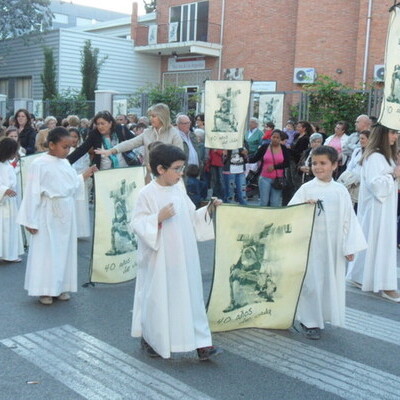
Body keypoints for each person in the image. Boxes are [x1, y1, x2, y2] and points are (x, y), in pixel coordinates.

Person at [130, 143, 222, 361]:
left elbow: (192, 217)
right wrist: (157, 219)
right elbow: (137, 223)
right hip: (160, 257)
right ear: (161, 169)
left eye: (182, 168)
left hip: (185, 256)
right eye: (177, 168)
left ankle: (202, 343)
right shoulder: (147, 193)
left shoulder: (179, 189)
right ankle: (153, 337)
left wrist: (209, 208)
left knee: (191, 296)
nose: (181, 173)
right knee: (160, 297)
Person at [289, 146, 366, 339]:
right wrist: (303, 208)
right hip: (311, 245)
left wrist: (349, 247)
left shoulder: (340, 191)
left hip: (333, 247)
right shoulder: (306, 189)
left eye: (323, 163)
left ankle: (323, 315)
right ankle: (310, 321)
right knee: (311, 282)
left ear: (334, 165)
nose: (318, 167)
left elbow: (349, 219)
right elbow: (290, 212)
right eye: (314, 163)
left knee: (328, 282)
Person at [17, 127, 97, 305]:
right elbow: (32, 192)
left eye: (69, 147)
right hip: (47, 212)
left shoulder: (65, 163)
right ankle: (44, 290)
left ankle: (61, 286)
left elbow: (71, 185)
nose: (67, 150)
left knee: (64, 250)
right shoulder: (39, 163)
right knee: (47, 251)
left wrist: (84, 175)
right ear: (51, 144)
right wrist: (29, 219)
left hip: (66, 212)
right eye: (64, 146)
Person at [346, 125, 400, 302]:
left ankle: (360, 276)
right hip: (377, 210)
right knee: (380, 243)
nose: (396, 136)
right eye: (392, 133)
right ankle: (386, 285)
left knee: (374, 243)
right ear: (383, 134)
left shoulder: (385, 157)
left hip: (384, 208)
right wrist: (394, 174)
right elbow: (376, 185)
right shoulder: (375, 156)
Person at [95, 104, 183, 184]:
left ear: (162, 116)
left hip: (169, 178)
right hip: (150, 177)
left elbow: (180, 157)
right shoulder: (147, 132)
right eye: (150, 116)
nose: (151, 118)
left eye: (154, 116)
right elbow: (131, 143)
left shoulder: (174, 133)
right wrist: (111, 151)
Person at [67, 110, 134, 170]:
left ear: (110, 123)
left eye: (102, 123)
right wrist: (65, 162)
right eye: (98, 124)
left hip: (124, 169)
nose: (100, 127)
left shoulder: (120, 129)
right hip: (103, 173)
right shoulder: (94, 134)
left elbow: (135, 142)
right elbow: (82, 150)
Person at [248, 129, 290, 206]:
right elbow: (255, 158)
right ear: (270, 137)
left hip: (278, 179)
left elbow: (287, 163)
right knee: (264, 201)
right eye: (274, 137)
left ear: (280, 139)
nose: (275, 139)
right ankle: (262, 217)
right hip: (264, 178)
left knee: (275, 202)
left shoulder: (284, 149)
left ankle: (273, 217)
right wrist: (244, 158)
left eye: (278, 138)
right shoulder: (264, 147)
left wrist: (275, 167)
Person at [0, 137, 24, 262]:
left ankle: (9, 254)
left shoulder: (7, 164)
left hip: (9, 202)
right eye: (14, 152)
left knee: (9, 228)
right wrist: (4, 190)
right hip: (2, 201)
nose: (15, 155)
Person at [337, 130, 370, 209]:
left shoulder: (373, 154)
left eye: (363, 138)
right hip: (351, 182)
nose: (360, 141)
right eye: (360, 139)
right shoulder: (357, 151)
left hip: (363, 184)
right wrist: (348, 178)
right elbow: (350, 166)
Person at [69, 127, 91, 239]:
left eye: (75, 137)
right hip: (70, 181)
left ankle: (79, 231)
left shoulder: (83, 151)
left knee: (80, 206)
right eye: (70, 136)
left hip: (81, 179)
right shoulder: (65, 151)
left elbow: (85, 165)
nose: (73, 139)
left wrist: (82, 175)